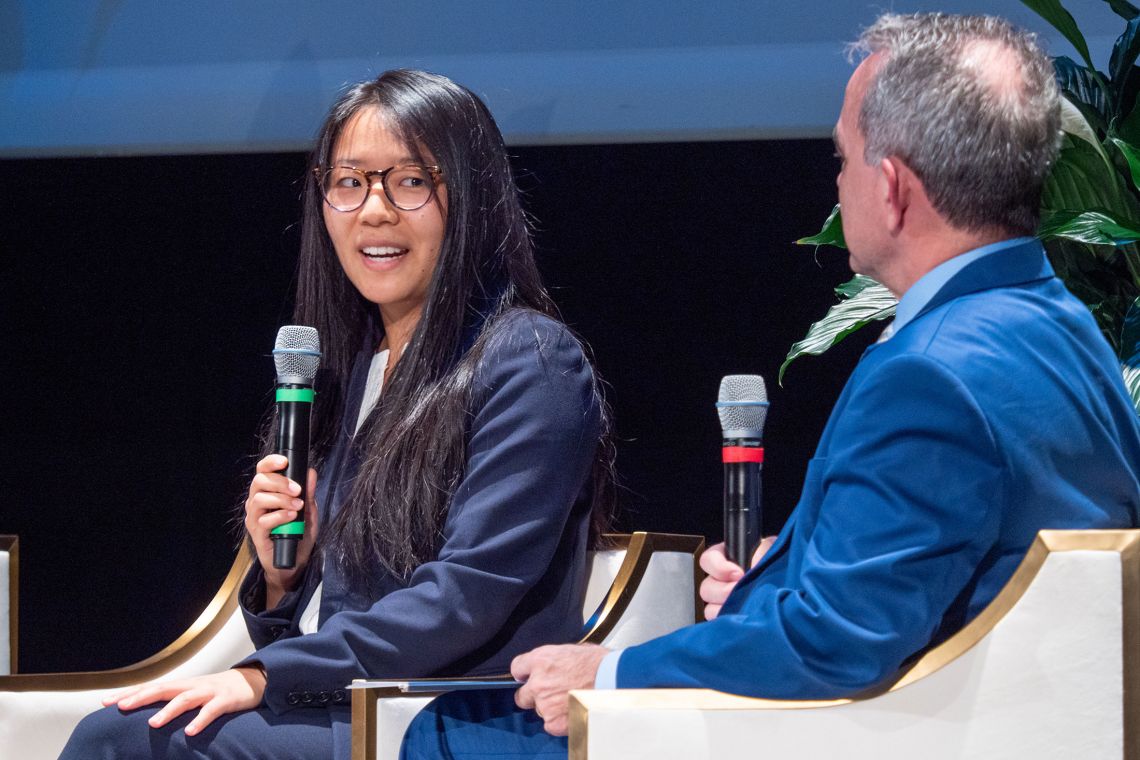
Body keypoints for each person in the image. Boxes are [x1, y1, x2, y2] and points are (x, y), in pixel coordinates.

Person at [400, 13, 1140, 758]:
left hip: (877, 734)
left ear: (893, 190)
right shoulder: (1065, 330)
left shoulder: (931, 373)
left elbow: (833, 645)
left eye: (842, 160)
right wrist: (799, 564)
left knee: (451, 735)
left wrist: (613, 670)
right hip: (992, 714)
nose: (837, 182)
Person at [60, 68, 615, 759]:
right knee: (123, 733)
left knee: (135, 744)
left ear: (472, 196)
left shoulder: (529, 359)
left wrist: (265, 676)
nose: (374, 211)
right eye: (349, 182)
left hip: (457, 718)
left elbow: (467, 595)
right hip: (362, 707)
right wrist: (285, 577)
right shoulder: (355, 368)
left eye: (411, 182)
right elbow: (337, 618)